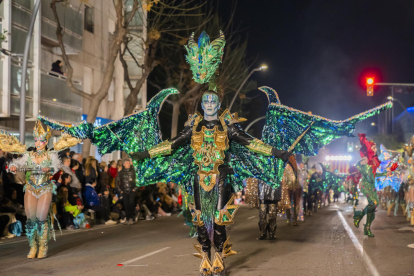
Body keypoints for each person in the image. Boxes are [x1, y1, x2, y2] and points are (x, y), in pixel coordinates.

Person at [39, 30, 391, 276]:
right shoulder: (193, 127)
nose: (209, 103)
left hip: (221, 179)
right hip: (196, 179)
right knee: (200, 225)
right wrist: (143, 155)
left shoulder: (228, 127)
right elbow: (172, 145)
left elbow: (252, 144)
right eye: (205, 100)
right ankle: (206, 258)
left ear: (218, 103)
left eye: (213, 100)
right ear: (201, 103)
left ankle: (217, 257)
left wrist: (280, 153)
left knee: (219, 224)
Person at [2, 121, 79, 258]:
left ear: (46, 141)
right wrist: (13, 167)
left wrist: (48, 169)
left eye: (41, 141)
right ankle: (33, 246)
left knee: (41, 218)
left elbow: (56, 166)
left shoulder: (51, 155)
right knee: (31, 220)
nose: (38, 143)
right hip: (31, 188)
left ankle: (43, 246)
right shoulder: (29, 155)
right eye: (36, 140)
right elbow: (16, 164)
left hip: (44, 188)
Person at [353, 134, 394, 237]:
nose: (375, 149)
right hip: (365, 185)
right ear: (369, 148)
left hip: (373, 186)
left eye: (376, 148)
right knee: (374, 203)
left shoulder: (375, 161)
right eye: (373, 147)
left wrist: (386, 173)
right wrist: (362, 163)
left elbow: (375, 175)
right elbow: (358, 166)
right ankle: (359, 216)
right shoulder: (366, 159)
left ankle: (367, 228)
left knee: (373, 207)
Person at [115, 159, 136, 225]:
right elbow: (116, 182)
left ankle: (131, 218)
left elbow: (138, 181)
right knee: (126, 204)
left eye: (129, 163)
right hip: (124, 191)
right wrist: (120, 190)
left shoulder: (133, 172)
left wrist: (135, 188)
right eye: (127, 163)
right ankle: (127, 218)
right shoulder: (121, 172)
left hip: (131, 190)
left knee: (131, 203)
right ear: (124, 164)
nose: (128, 164)